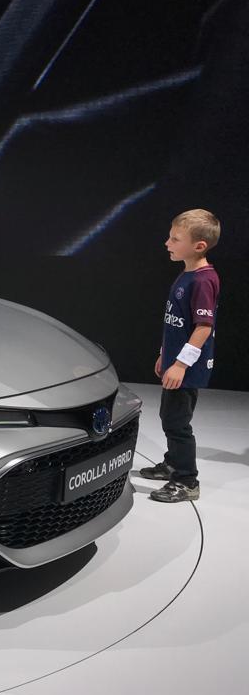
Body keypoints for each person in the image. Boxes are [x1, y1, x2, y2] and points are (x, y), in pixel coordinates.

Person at [139, 209, 221, 503]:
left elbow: (203, 327)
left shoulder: (202, 281)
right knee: (169, 416)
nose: (167, 243)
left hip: (186, 368)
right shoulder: (188, 275)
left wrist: (180, 364)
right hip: (175, 362)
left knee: (177, 423)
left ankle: (186, 480)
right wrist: (165, 353)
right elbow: (177, 323)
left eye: (175, 239)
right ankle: (173, 463)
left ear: (199, 246)